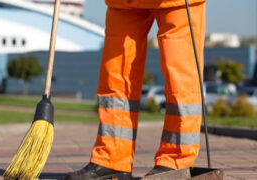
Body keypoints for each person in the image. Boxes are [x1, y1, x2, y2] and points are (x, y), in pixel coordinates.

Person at [64, 0, 206, 179]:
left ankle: (177, 161)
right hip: (124, 3)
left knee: (180, 79)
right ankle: (112, 160)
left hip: (176, 3)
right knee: (115, 78)